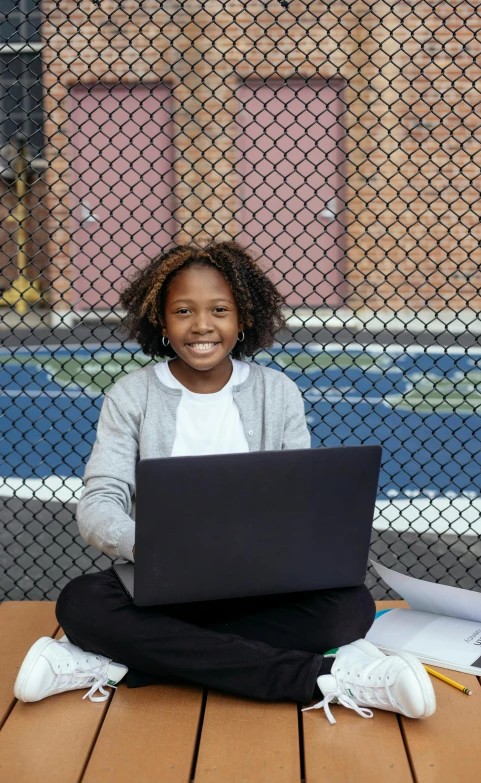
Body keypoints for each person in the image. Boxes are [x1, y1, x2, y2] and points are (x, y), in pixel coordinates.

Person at [13, 240, 436, 723]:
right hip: (164, 577)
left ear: (244, 318)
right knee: (82, 603)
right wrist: (151, 548)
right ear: (161, 321)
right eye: (183, 311)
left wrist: (289, 549)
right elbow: (99, 501)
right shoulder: (131, 396)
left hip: (259, 581)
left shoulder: (278, 393)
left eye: (219, 310)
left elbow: (297, 498)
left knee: (349, 608)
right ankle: (322, 677)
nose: (201, 326)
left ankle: (110, 662)